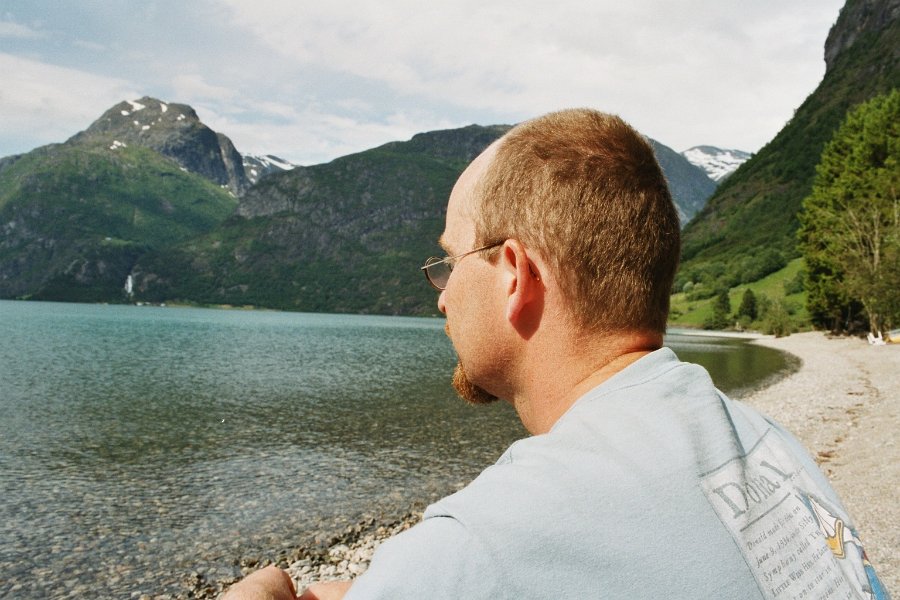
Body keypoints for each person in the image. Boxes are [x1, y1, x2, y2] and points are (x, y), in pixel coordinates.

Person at [223, 109, 889, 600]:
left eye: (451, 262)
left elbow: (496, 554)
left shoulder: (486, 539)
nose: (441, 299)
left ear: (515, 275)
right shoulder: (767, 445)